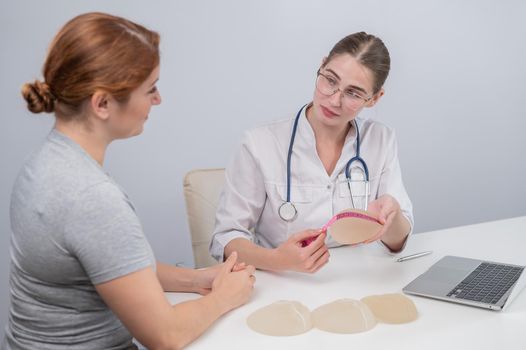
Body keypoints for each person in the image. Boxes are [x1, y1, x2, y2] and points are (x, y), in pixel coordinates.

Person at [3, 12, 255, 350]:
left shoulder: (45, 162)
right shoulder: (91, 198)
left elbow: (117, 268)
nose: (158, 99)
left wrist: (197, 280)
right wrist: (224, 298)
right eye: (150, 88)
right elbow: (166, 336)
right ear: (103, 103)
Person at [210, 32, 413, 274]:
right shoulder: (260, 143)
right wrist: (278, 259)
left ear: (375, 98)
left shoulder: (380, 140)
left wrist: (393, 216)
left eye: (353, 93)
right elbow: (226, 237)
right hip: (282, 284)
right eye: (330, 80)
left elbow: (397, 242)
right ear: (321, 66)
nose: (334, 100)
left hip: (355, 281)